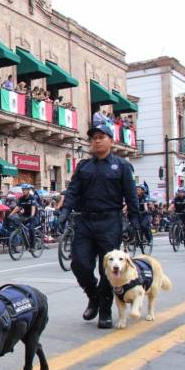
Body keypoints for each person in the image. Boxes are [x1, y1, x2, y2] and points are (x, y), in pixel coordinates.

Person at [60, 122, 139, 329]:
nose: (96, 140)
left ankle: (105, 310)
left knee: (107, 269)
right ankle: (93, 296)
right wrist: (64, 211)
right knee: (79, 263)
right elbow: (73, 191)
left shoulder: (122, 166)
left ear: (111, 141)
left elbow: (131, 195)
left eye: (101, 137)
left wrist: (136, 220)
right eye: (93, 137)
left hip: (110, 221)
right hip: (85, 221)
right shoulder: (84, 166)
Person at [9, 184, 38, 249]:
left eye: (25, 190)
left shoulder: (32, 198)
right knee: (19, 226)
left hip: (33, 216)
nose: (23, 191)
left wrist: (32, 215)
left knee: (31, 229)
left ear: (28, 190)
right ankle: (25, 243)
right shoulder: (21, 198)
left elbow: (33, 207)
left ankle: (32, 246)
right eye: (23, 190)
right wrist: (11, 214)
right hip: (25, 215)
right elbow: (18, 207)